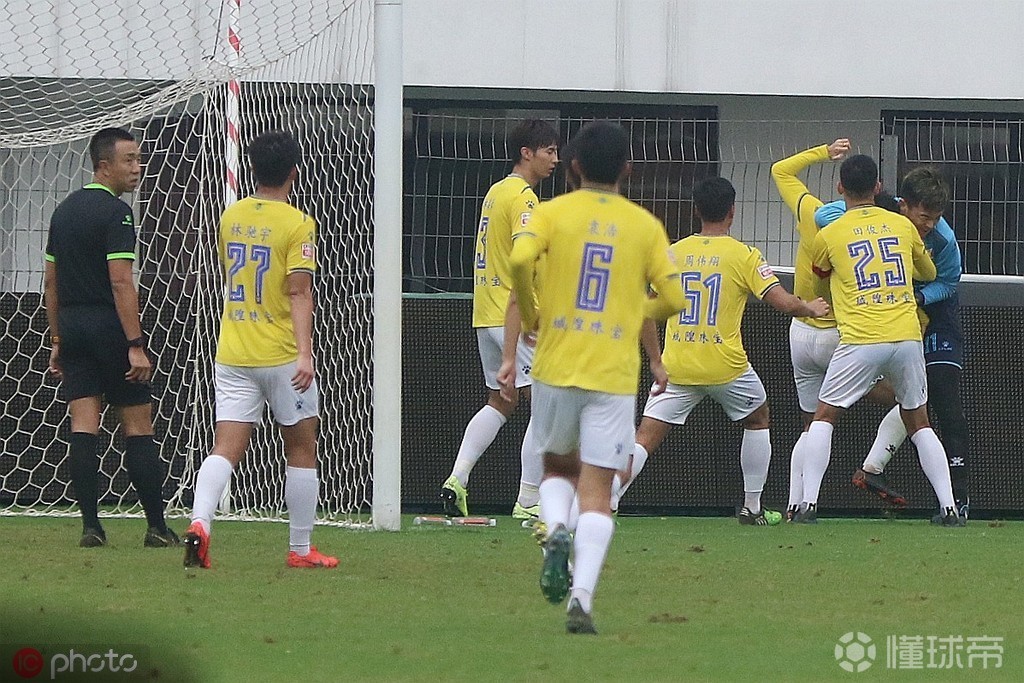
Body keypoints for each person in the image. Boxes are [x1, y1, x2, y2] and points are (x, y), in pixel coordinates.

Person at [507, 121, 686, 634]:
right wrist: (634, 309)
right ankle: (581, 597)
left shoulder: (550, 212)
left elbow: (520, 258)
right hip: (611, 372)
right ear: (627, 169)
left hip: (556, 365)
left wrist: (536, 312)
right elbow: (673, 298)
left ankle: (556, 528)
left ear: (574, 167)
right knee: (599, 490)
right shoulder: (645, 226)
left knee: (557, 469)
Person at [633, 176, 830, 527]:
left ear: (696, 211)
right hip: (727, 367)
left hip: (677, 366)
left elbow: (645, 311)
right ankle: (752, 507)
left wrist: (655, 358)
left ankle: (604, 503)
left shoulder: (671, 253)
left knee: (644, 438)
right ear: (733, 212)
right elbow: (781, 302)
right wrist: (809, 308)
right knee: (758, 417)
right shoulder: (744, 255)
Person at [183, 130, 337, 569]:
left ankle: (200, 523)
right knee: (302, 447)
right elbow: (298, 292)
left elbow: (230, 274)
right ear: (294, 171)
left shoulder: (230, 217)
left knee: (224, 447)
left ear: (252, 168)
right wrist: (305, 354)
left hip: (233, 350)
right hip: (282, 355)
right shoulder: (297, 223)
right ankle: (301, 549)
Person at [798, 154, 962, 525]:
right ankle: (949, 509)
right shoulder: (902, 226)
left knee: (824, 416)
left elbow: (821, 278)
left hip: (861, 336)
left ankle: (808, 505)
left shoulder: (829, 232)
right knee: (919, 420)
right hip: (906, 335)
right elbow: (931, 271)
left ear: (840, 189)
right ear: (878, 188)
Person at [44, 127, 179, 548]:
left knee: (83, 424)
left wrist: (57, 340)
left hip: (72, 326)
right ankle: (156, 527)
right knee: (137, 424)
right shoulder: (117, 213)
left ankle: (91, 528)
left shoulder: (62, 211)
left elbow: (51, 280)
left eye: (139, 159)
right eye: (129, 160)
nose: (137, 168)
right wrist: (135, 344)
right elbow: (122, 283)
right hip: (108, 328)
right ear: (104, 166)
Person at [770, 140, 909, 520]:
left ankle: (796, 504)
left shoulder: (811, 211)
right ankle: (871, 468)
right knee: (908, 399)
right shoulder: (876, 229)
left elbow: (780, 170)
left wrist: (822, 152)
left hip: (800, 331)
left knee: (811, 424)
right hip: (840, 336)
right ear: (876, 188)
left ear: (839, 187)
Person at [439, 120, 559, 520]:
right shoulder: (524, 199)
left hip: (484, 313)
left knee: (501, 401)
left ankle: (457, 478)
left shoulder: (495, 192)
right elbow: (523, 260)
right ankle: (528, 499)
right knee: (545, 407)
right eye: (548, 151)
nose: (555, 160)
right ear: (527, 153)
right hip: (515, 317)